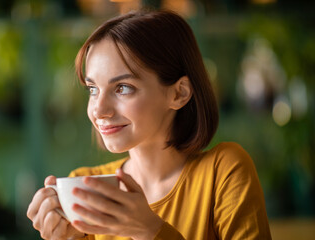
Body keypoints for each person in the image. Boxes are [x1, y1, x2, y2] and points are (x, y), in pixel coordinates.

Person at [27, 10, 272, 240]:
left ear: (179, 94)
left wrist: (149, 231)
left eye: (122, 88)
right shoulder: (85, 187)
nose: (98, 110)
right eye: (93, 89)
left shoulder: (222, 172)